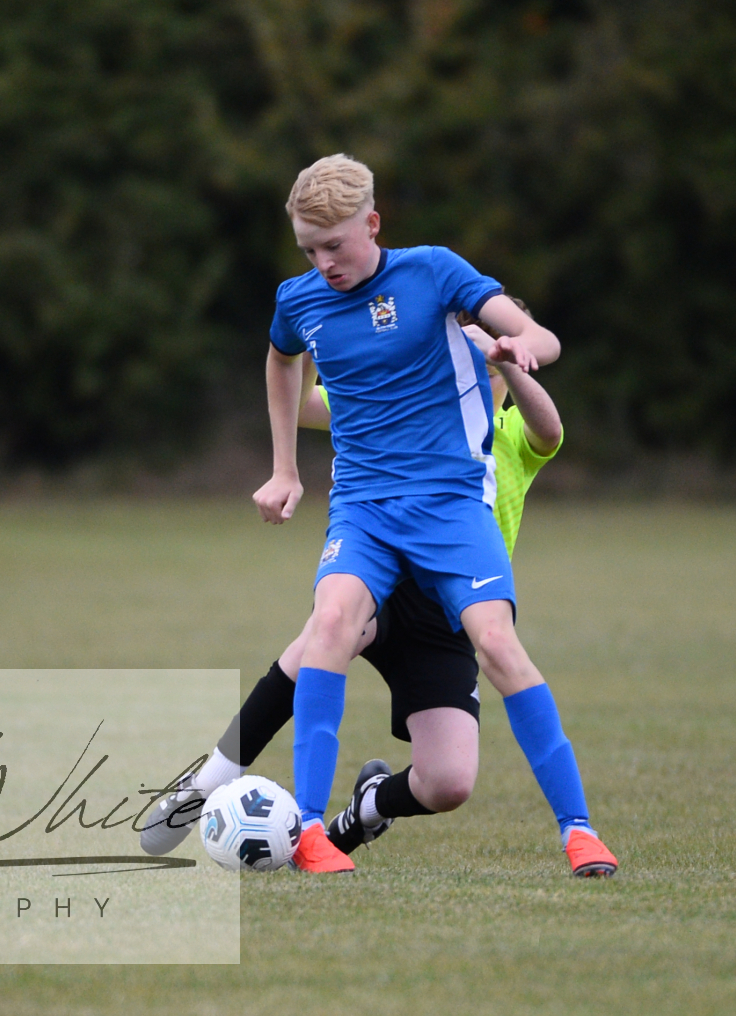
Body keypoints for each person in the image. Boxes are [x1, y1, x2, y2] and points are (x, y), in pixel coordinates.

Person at [142, 308, 617, 876]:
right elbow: (301, 401)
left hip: (449, 615)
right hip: (381, 583)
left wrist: (507, 358)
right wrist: (319, 338)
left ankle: (366, 811)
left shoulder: (512, 432)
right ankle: (204, 786)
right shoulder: (404, 405)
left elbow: (551, 431)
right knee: (323, 634)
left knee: (449, 782)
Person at [258, 153, 614, 875]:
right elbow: (281, 360)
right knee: (330, 622)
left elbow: (540, 337)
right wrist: (285, 469)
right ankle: (308, 830)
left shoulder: (433, 270)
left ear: (373, 224)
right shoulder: (300, 299)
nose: (323, 264)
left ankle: (579, 831)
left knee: (500, 645)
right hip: (364, 508)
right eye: (309, 249)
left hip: (451, 506)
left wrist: (520, 347)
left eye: (335, 245)